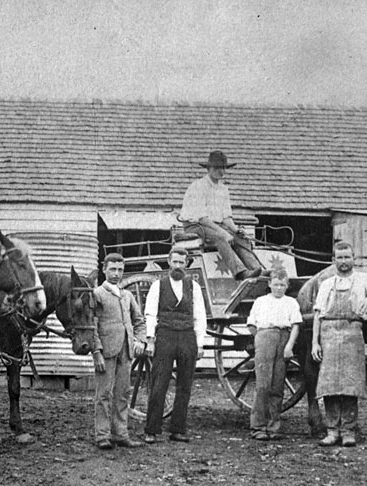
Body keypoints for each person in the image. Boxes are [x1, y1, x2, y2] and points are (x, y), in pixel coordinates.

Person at [311, 242, 367, 447]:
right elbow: (318, 315)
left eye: (347, 257)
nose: (344, 262)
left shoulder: (364, 279)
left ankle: (348, 431)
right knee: (330, 386)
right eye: (340, 257)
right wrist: (314, 343)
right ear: (334, 260)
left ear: (354, 258)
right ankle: (332, 431)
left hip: (352, 333)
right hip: (328, 334)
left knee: (350, 385)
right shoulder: (327, 283)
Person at [143, 246, 207, 443]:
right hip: (165, 336)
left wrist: (200, 343)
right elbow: (151, 313)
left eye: (182, 262)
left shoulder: (193, 287)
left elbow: (200, 316)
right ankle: (152, 430)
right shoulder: (158, 285)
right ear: (169, 262)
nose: (178, 266)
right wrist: (150, 339)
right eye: (175, 262)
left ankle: (178, 429)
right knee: (159, 383)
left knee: (185, 385)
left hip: (188, 337)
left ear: (186, 264)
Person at [179, 150, 266, 281]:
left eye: (224, 168)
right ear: (209, 168)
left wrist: (236, 231)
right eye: (217, 168)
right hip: (195, 225)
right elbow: (203, 219)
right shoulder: (198, 186)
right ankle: (240, 272)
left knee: (240, 238)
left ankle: (256, 269)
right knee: (221, 237)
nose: (221, 171)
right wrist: (223, 232)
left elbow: (226, 217)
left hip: (214, 225)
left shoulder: (223, 189)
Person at [91, 253, 147, 450]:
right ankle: (102, 436)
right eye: (112, 269)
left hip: (126, 351)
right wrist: (96, 352)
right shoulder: (97, 294)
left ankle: (121, 434)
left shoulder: (127, 295)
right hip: (106, 352)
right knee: (104, 394)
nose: (116, 274)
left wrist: (140, 340)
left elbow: (139, 321)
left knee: (123, 393)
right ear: (104, 269)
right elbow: (93, 326)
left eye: (120, 270)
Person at [246, 268, 302, 440]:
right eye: (276, 284)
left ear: (287, 286)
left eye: (282, 285)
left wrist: (289, 346)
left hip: (284, 338)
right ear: (269, 284)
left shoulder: (291, 302)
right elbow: (251, 324)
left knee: (277, 385)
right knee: (263, 384)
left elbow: (296, 325)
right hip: (264, 336)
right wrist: (261, 340)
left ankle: (273, 426)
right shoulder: (261, 301)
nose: (279, 288)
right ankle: (258, 426)